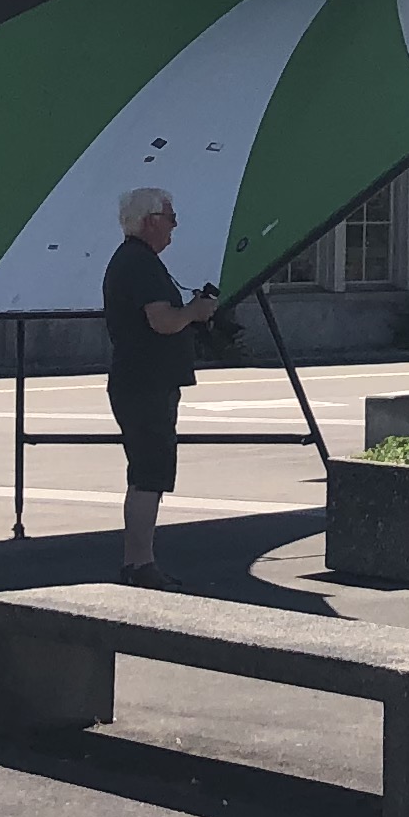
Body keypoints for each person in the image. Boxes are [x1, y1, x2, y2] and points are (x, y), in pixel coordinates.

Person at [102, 189, 228, 586]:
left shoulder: (134, 260)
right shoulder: (139, 264)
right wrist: (194, 312)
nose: (175, 225)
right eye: (170, 217)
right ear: (150, 221)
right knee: (150, 474)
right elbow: (162, 321)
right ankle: (139, 563)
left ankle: (138, 561)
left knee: (146, 471)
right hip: (146, 384)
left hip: (141, 382)